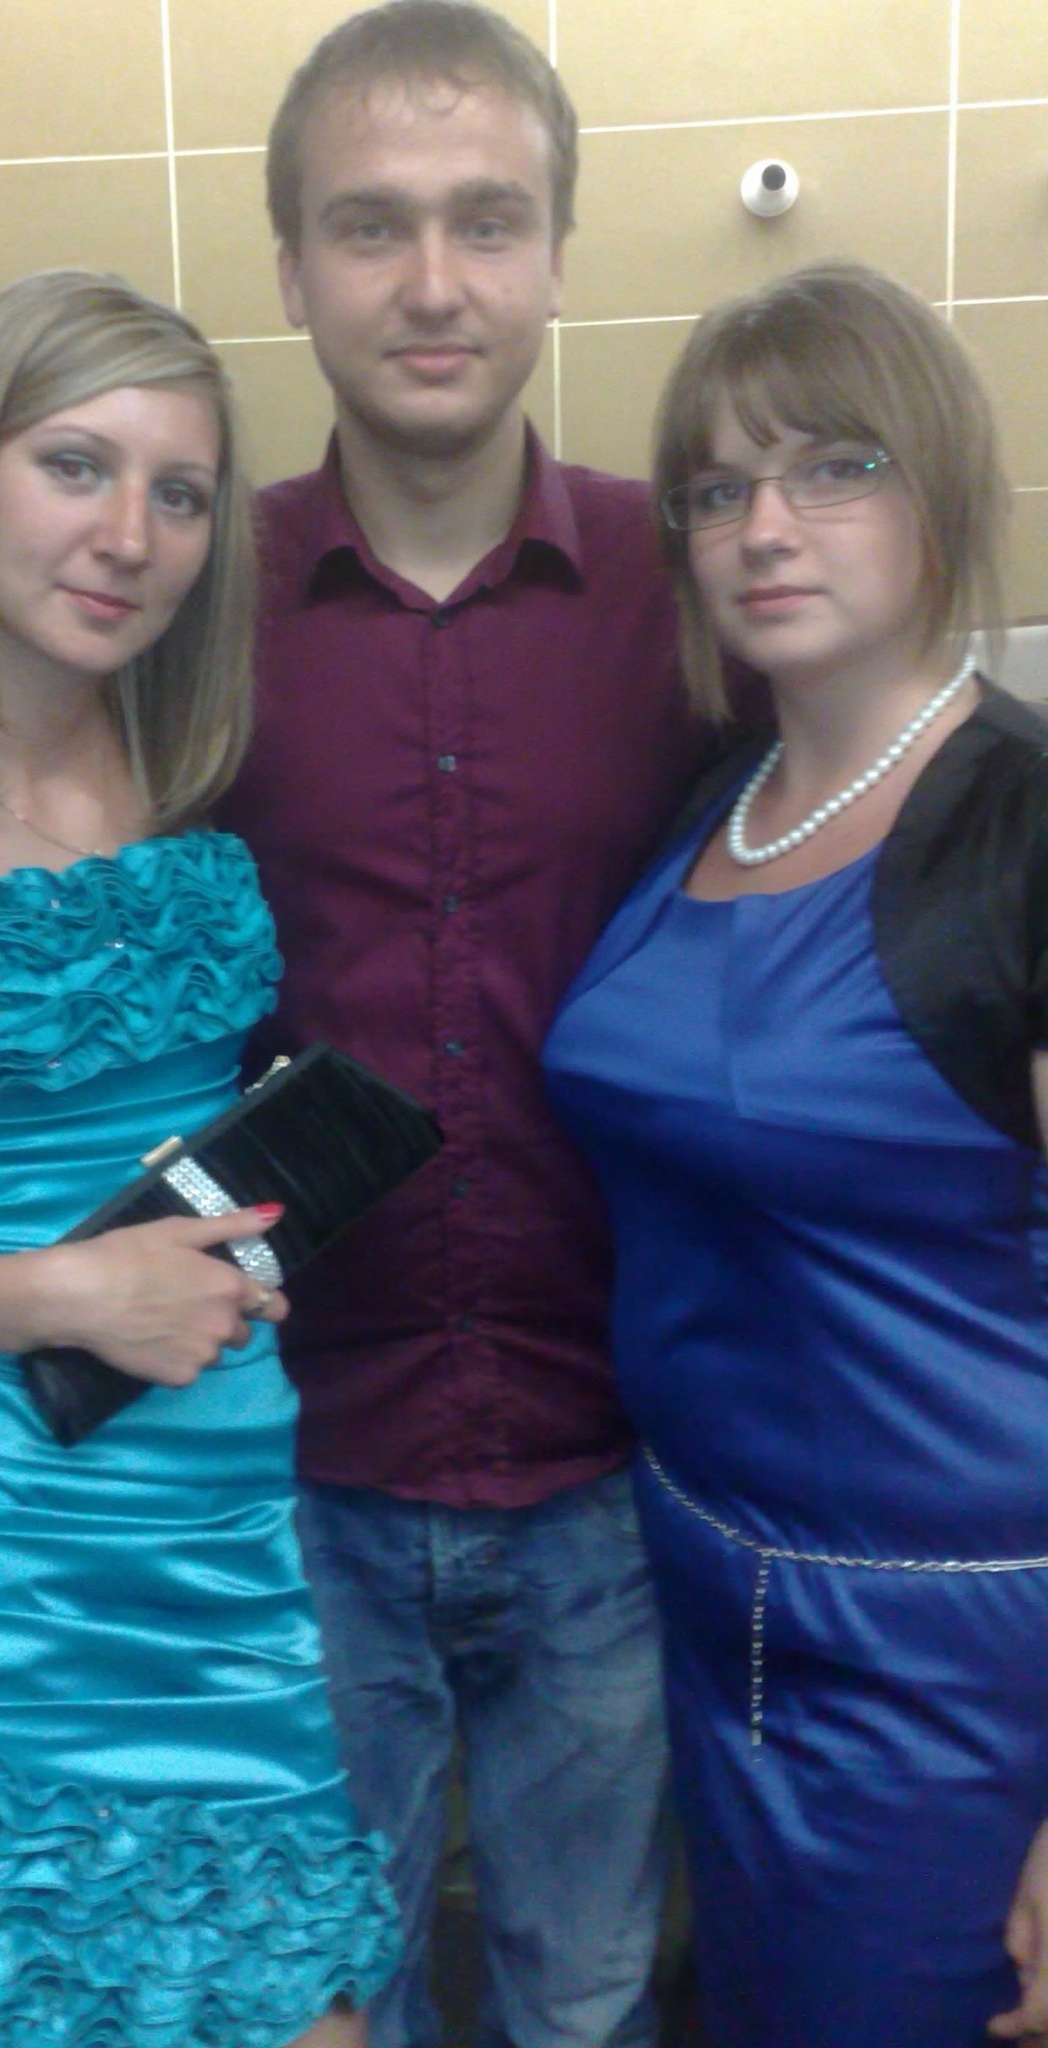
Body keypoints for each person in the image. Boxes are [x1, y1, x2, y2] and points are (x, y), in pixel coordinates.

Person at [0, 9, 703, 2040]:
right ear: (292, 266)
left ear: (559, 251)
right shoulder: (126, 663)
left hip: (544, 1450)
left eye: (487, 221)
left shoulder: (658, 601)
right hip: (205, 1485)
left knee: (549, 1997)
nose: (432, 281)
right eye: (371, 226)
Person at [0, 267, 398, 2048]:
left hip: (225, 1549)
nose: (130, 535)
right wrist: (51, 1288)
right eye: (76, 464)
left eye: (181, 492)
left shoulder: (178, 765)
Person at [543, 260, 1048, 2048]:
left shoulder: (1023, 827)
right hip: (703, 1602)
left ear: (939, 486)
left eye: (837, 466)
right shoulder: (718, 801)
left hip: (962, 1665)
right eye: (718, 488)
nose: (767, 527)